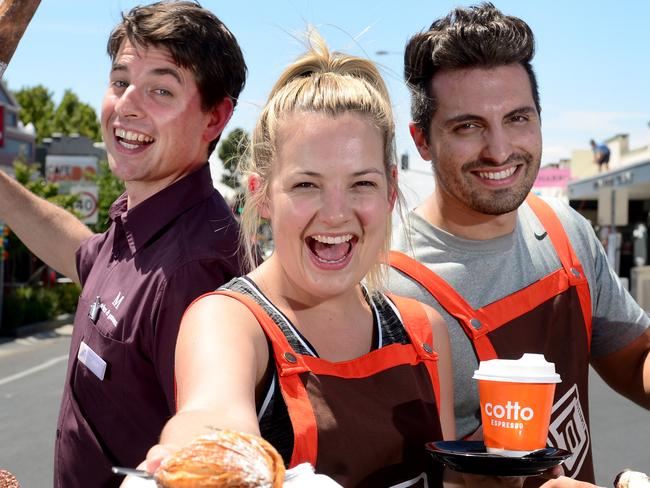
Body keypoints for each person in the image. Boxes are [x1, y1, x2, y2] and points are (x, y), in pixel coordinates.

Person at [140, 34, 458, 488]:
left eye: (361, 184)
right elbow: (211, 416)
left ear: (390, 190)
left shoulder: (425, 332)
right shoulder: (230, 321)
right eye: (306, 185)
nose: (335, 213)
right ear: (261, 194)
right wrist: (200, 451)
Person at [387, 3, 650, 487]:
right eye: (468, 126)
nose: (500, 149)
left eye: (517, 118)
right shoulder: (385, 284)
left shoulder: (567, 231)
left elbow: (635, 361)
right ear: (422, 141)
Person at [0, 2, 246, 486]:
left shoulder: (195, 268)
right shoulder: (142, 218)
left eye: (161, 89)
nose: (126, 104)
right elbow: (80, 254)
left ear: (215, 117)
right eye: (119, 82)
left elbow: (209, 460)